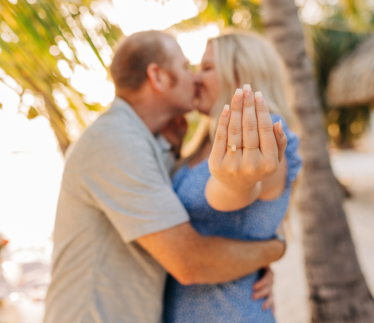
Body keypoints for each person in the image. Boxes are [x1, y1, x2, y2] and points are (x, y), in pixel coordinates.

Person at [43, 30, 286, 323]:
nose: (194, 78)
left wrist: (175, 148)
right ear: (157, 77)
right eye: (186, 67)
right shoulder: (116, 140)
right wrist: (273, 249)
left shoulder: (148, 140)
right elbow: (190, 262)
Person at [163, 31, 302, 323]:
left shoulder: (268, 131)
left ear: (240, 74)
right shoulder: (201, 141)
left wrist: (235, 183)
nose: (195, 78)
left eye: (207, 68)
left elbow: (243, 184)